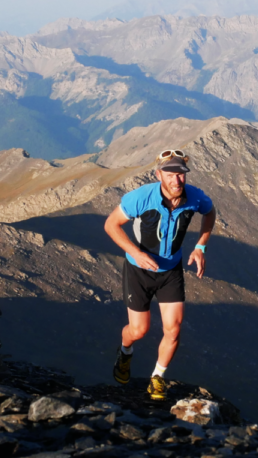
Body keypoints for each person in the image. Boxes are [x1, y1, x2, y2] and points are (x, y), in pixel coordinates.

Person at [103, 149, 216, 400]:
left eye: (181, 174)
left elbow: (210, 213)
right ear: (159, 175)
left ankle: (158, 377)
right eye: (171, 174)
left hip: (171, 271)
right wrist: (136, 252)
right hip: (138, 270)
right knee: (138, 331)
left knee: (173, 329)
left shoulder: (195, 198)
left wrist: (200, 247)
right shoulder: (141, 197)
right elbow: (111, 224)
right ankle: (125, 352)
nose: (177, 180)